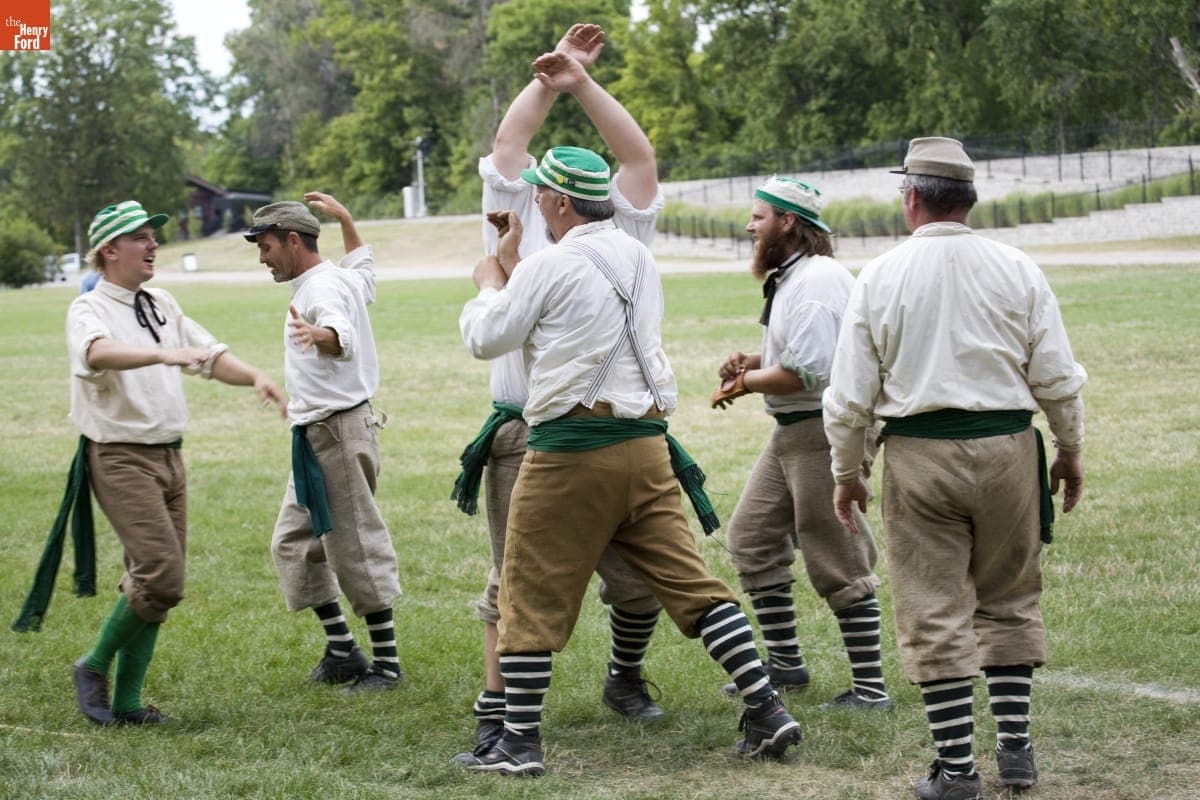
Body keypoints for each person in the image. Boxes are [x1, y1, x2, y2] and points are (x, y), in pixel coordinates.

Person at [455, 145, 802, 777]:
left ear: (561, 202)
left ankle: (518, 743)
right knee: (693, 586)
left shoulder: (551, 264)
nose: (534, 201)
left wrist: (489, 280)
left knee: (528, 594)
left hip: (569, 451)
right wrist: (516, 266)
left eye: (540, 194)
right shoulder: (638, 256)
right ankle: (766, 707)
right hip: (645, 446)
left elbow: (487, 337)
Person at [823, 137, 1087, 800]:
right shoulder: (1017, 267)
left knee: (933, 605)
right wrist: (1069, 447)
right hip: (1007, 451)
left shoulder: (881, 275)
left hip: (919, 456)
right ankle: (1018, 752)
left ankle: (959, 771)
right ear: (967, 198)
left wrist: (847, 469)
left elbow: (849, 394)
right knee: (1009, 595)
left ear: (911, 197)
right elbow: (1056, 374)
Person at [450, 24, 668, 761]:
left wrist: (581, 82)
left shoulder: (616, 228)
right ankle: (498, 714)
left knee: (640, 581)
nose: (531, 190)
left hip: (615, 428)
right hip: (527, 429)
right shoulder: (517, 224)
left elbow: (637, 159)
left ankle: (625, 677)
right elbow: (508, 149)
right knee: (511, 582)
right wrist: (546, 81)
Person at [50, 200, 286, 726]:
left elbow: (207, 353)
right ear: (110, 250)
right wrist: (162, 354)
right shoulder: (88, 308)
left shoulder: (161, 302)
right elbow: (96, 353)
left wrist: (253, 376)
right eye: (141, 237)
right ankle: (93, 665)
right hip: (120, 457)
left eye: (154, 236)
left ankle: (129, 704)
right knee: (163, 578)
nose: (155, 244)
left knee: (153, 581)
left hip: (169, 457)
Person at [710, 176, 892, 710]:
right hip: (793, 430)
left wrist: (745, 383)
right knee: (751, 537)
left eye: (759, 216)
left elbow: (805, 374)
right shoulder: (795, 277)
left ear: (788, 222)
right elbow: (796, 362)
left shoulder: (816, 280)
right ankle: (786, 665)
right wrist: (751, 362)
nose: (750, 225)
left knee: (837, 553)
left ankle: (871, 689)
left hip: (823, 429)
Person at [245, 192, 403, 692]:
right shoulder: (338, 276)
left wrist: (322, 336)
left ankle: (388, 665)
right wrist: (349, 221)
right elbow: (367, 272)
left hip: (338, 431)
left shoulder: (322, 289)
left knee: (354, 548)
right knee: (293, 543)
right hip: (314, 435)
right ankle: (342, 651)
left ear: (293, 241)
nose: (262, 256)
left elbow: (341, 331)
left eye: (266, 245)